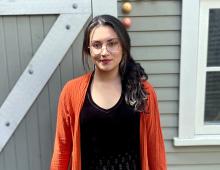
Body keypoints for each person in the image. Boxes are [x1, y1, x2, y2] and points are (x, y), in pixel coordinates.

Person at [50, 14, 166, 170]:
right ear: (88, 49)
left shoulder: (144, 91)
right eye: (97, 45)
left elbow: (155, 149)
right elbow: (62, 150)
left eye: (112, 43)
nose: (104, 52)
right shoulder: (71, 92)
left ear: (123, 46)